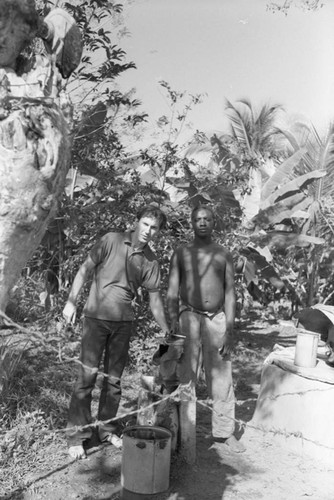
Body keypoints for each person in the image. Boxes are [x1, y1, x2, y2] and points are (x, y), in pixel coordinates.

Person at [63, 205, 170, 459]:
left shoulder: (151, 261)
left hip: (123, 324)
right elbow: (84, 269)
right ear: (136, 222)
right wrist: (70, 301)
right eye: (145, 224)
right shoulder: (111, 240)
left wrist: (167, 329)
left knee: (113, 380)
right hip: (95, 319)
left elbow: (155, 301)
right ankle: (77, 437)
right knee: (86, 378)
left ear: (158, 232)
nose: (148, 231)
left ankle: (107, 429)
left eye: (154, 228)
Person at [167, 205, 245, 453]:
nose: (202, 223)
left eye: (207, 219)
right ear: (191, 223)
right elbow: (171, 290)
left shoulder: (223, 254)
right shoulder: (181, 252)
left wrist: (230, 328)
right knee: (185, 373)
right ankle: (182, 430)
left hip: (217, 319)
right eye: (198, 219)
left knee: (222, 377)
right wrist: (172, 322)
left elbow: (231, 292)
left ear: (214, 223)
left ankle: (224, 432)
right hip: (188, 316)